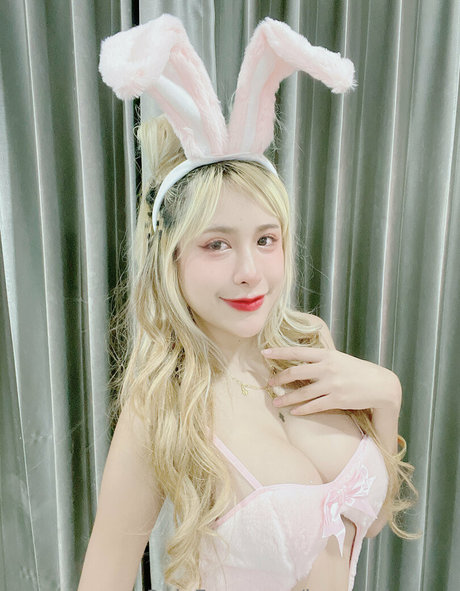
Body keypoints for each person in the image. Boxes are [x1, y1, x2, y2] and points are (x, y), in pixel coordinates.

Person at [78, 15, 418, 591]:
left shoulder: (307, 350)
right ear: (171, 259)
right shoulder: (164, 407)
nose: (249, 272)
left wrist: (387, 396)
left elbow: (362, 521)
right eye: (217, 244)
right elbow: (102, 579)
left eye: (265, 239)